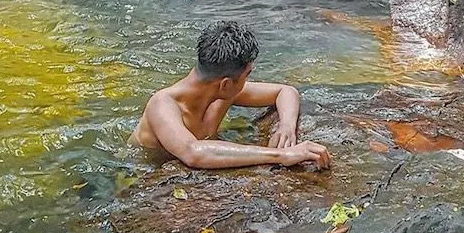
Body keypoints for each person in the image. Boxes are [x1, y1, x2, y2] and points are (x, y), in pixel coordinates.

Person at [131, 21, 331, 170]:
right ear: (226, 84)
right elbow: (193, 152)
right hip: (136, 171)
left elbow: (285, 91)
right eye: (247, 75)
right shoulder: (163, 104)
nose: (247, 80)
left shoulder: (222, 94)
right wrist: (281, 154)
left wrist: (286, 127)